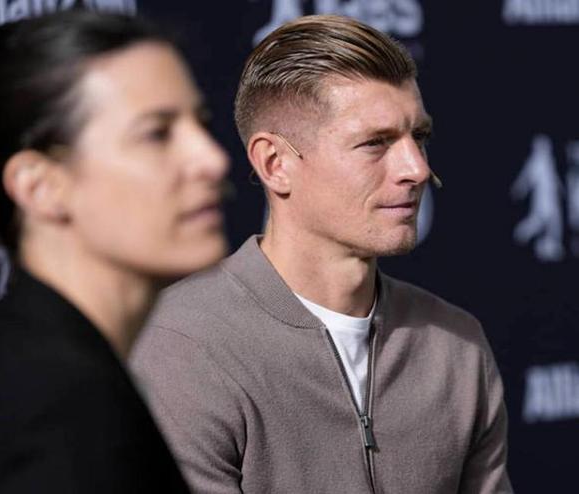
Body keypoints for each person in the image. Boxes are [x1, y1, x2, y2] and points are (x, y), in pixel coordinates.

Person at [131, 14, 513, 494]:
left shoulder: (456, 344)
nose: (417, 168)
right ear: (275, 164)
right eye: (375, 143)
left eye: (419, 137)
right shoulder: (181, 346)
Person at [0, 9, 228, 493]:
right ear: (40, 187)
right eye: (157, 133)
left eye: (201, 124)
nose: (212, 159)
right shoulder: (60, 410)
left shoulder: (51, 372)